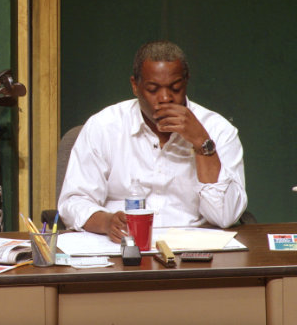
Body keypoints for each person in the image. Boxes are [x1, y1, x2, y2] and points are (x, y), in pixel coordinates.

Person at [57, 40, 247, 243]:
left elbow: (225, 216)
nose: (165, 98)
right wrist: (106, 222)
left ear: (186, 82)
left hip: (193, 249)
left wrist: (202, 144)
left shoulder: (218, 130)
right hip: (121, 246)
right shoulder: (104, 126)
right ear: (135, 86)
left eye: (175, 88)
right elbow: (74, 201)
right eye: (153, 89)